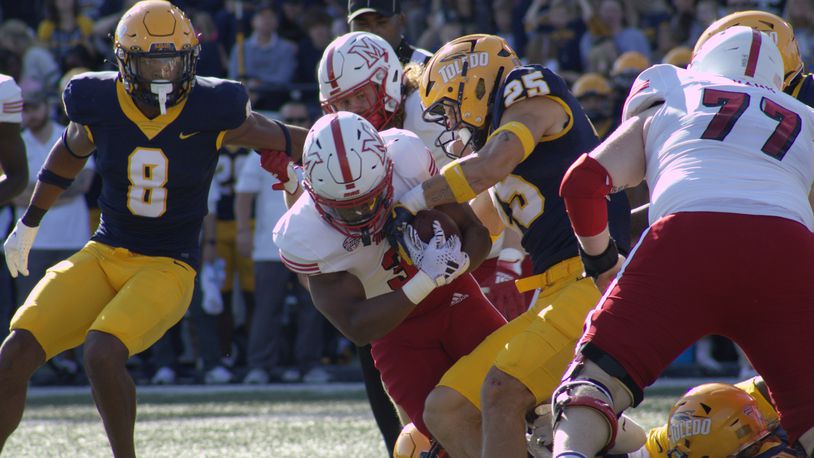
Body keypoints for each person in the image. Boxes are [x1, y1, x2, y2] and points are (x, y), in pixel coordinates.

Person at [0, 2, 307, 456]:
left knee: (102, 353)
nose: (163, 73)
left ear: (191, 60)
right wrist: (29, 222)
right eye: (151, 61)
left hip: (168, 266)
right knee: (13, 355)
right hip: (104, 252)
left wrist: (350, 154)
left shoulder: (212, 108)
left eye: (172, 60)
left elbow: (292, 137)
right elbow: (69, 151)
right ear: (124, 61)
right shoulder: (98, 102)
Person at [550, 26, 814, 458]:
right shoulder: (804, 115)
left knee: (592, 385)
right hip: (787, 248)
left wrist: (602, 265)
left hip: (687, 239)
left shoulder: (675, 89)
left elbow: (582, 183)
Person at [394, 34, 630, 457]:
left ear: (474, 84)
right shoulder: (499, 155)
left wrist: (409, 200)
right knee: (446, 408)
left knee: (501, 392)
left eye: (449, 107)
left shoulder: (528, 87)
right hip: (552, 293)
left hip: (592, 281)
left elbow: (490, 165)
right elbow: (476, 229)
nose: (450, 123)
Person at [272, 111, 506, 450]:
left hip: (457, 299)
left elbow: (476, 233)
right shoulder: (305, 233)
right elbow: (357, 326)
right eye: (347, 208)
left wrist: (458, 263)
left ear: (387, 171)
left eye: (368, 199)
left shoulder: (406, 157)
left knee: (518, 392)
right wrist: (425, 279)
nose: (363, 214)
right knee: (442, 438)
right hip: (397, 334)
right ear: (315, 195)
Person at [347, 0, 432, 66]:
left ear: (401, 20)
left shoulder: (427, 65)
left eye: (381, 22)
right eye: (363, 24)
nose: (372, 32)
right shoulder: (338, 67)